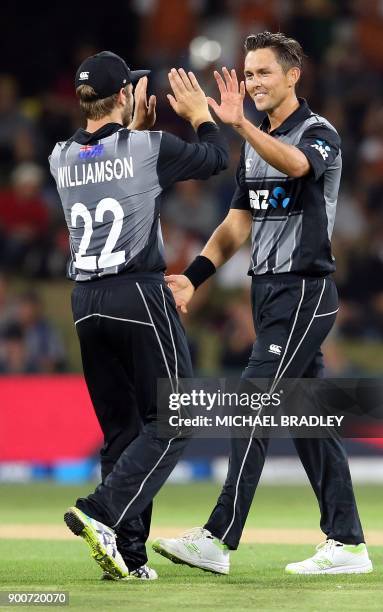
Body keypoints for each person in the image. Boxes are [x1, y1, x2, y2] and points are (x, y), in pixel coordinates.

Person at [153, 32, 372, 575]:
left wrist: (240, 125)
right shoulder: (255, 145)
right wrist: (193, 278)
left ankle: (218, 538)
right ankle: (347, 544)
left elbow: (298, 166)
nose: (252, 83)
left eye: (263, 73)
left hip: (305, 290)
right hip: (267, 294)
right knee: (308, 418)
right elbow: (236, 225)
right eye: (248, 75)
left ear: (294, 75)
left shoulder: (320, 134)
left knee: (252, 400)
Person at [48, 50, 228, 581]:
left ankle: (127, 554)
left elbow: (110, 165)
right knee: (179, 417)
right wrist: (199, 113)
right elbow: (215, 158)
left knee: (123, 431)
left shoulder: (60, 156)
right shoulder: (147, 147)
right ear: (125, 95)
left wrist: (136, 131)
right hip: (138, 293)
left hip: (84, 303)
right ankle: (101, 511)